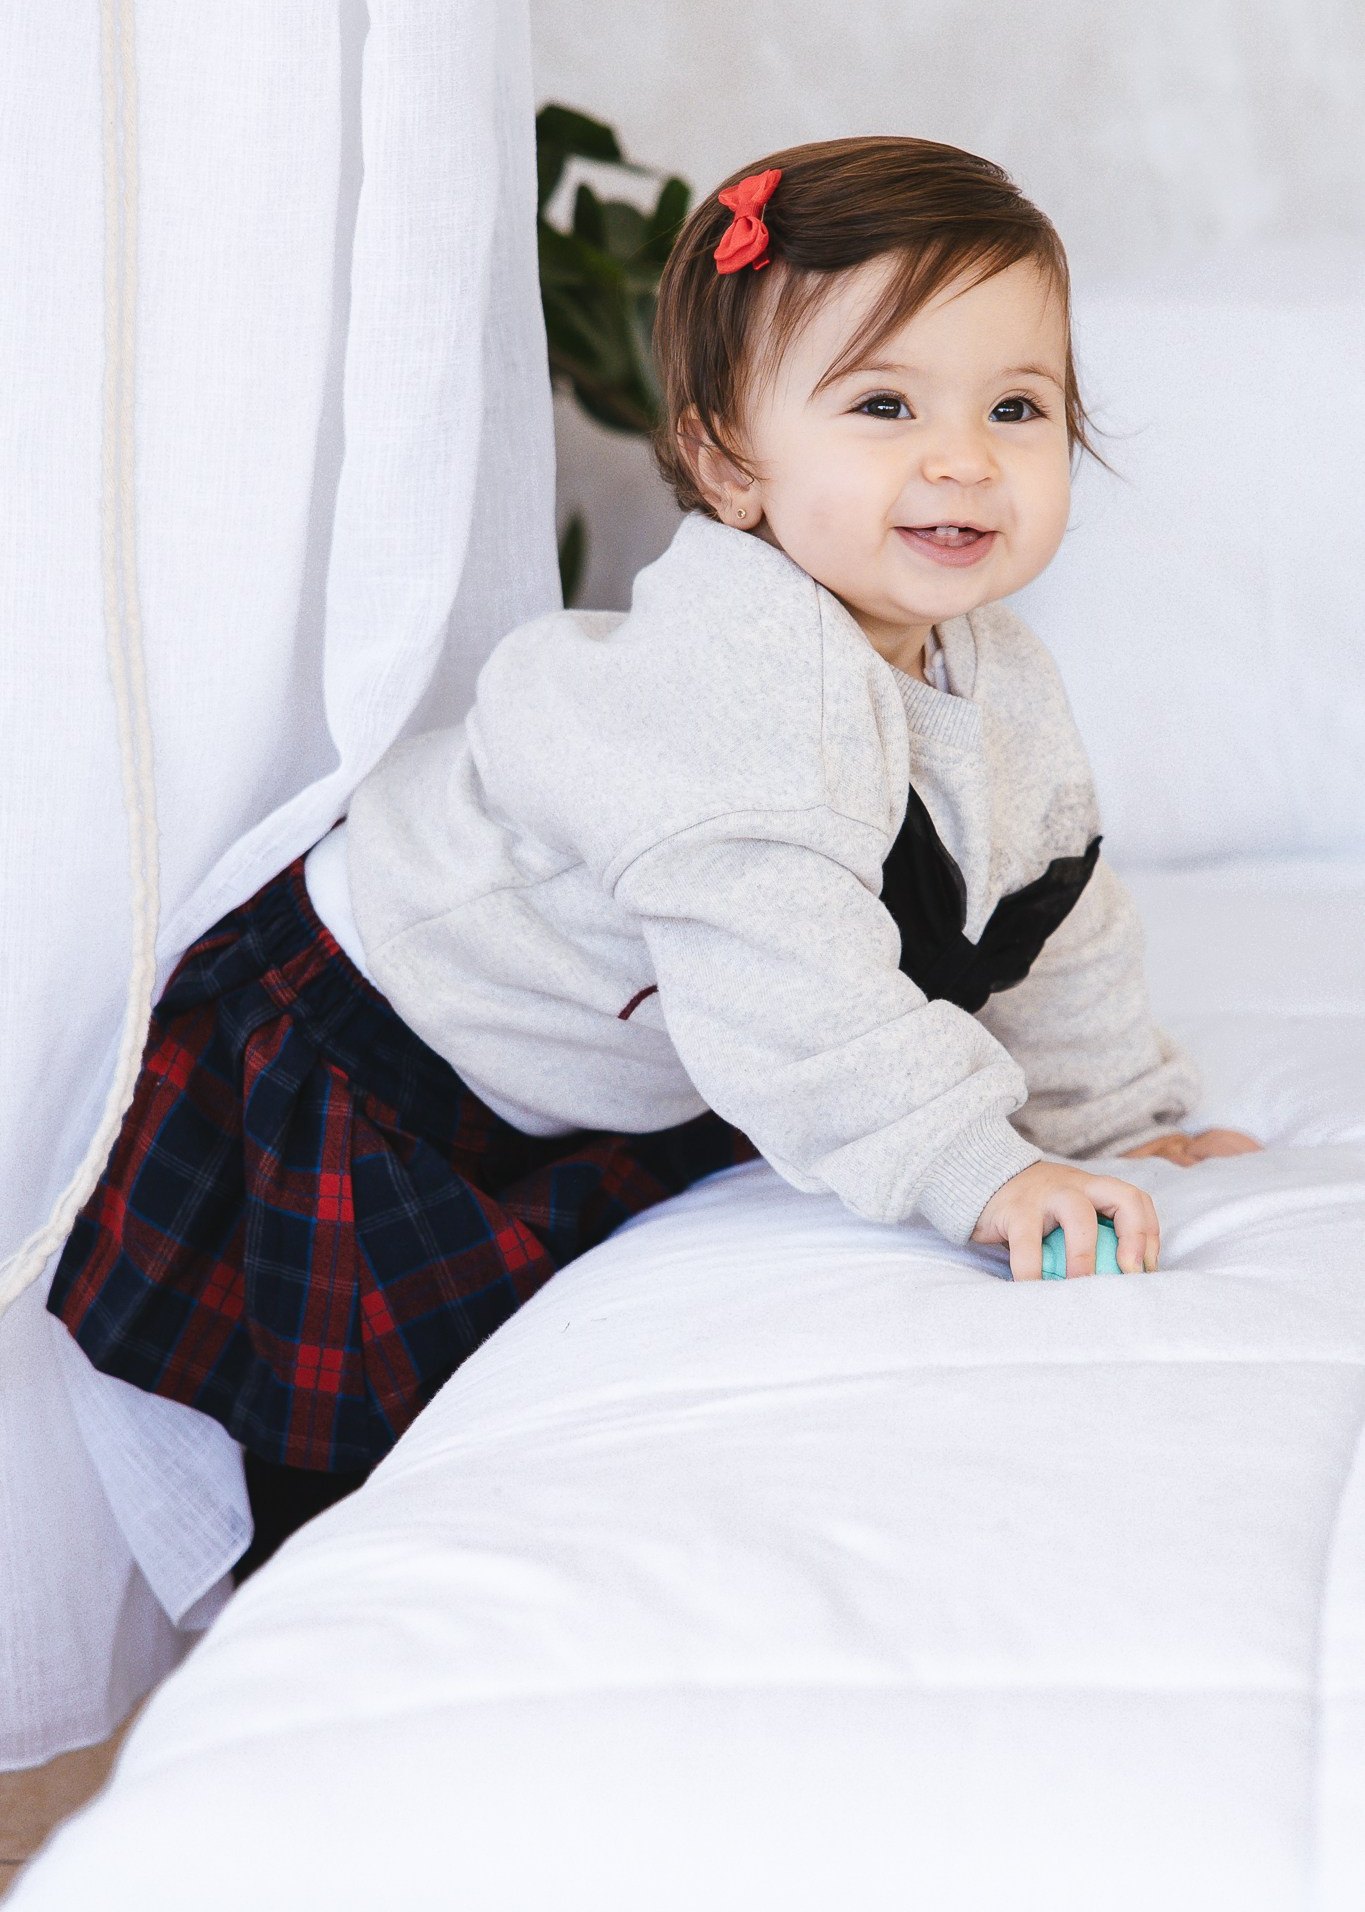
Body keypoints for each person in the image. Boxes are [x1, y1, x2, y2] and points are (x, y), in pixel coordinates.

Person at [50, 135, 1259, 1566]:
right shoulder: (731, 700)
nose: (962, 458)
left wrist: (1112, 1118)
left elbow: (1050, 908)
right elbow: (796, 1001)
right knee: (371, 1459)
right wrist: (977, 1170)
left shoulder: (997, 676)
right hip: (359, 1050)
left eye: (1016, 406)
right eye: (882, 404)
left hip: (600, 1055)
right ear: (726, 463)